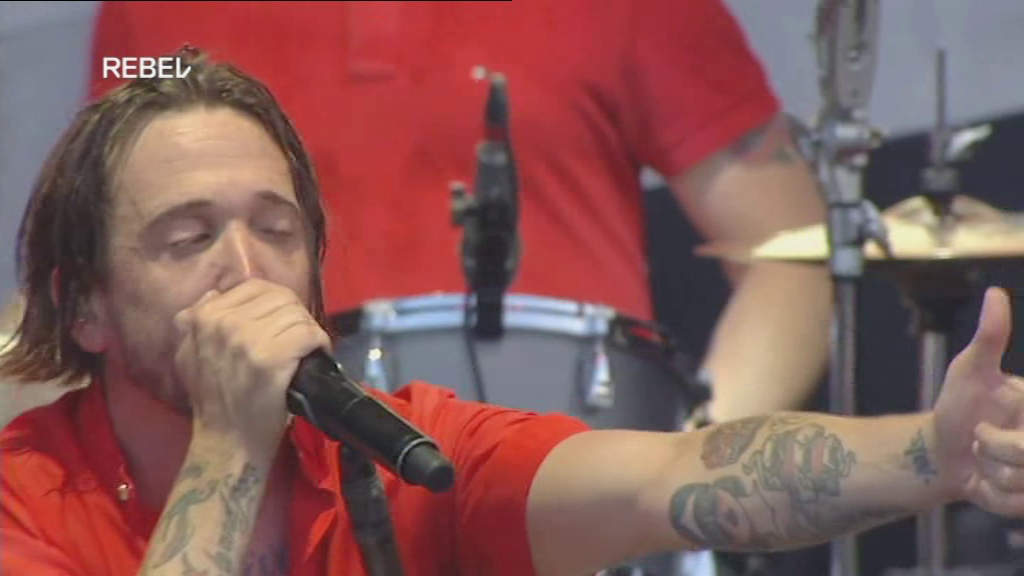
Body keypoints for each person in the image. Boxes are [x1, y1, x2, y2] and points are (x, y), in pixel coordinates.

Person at [2, 50, 1024, 576]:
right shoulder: (21, 500)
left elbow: (680, 475)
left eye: (277, 229)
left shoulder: (402, 450)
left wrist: (935, 455)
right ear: (82, 304)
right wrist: (229, 446)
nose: (246, 271)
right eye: (187, 240)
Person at [87, 0, 832, 426]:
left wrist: (690, 458)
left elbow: (793, 253)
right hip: (274, 488)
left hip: (578, 489)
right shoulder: (154, 19)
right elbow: (106, 259)